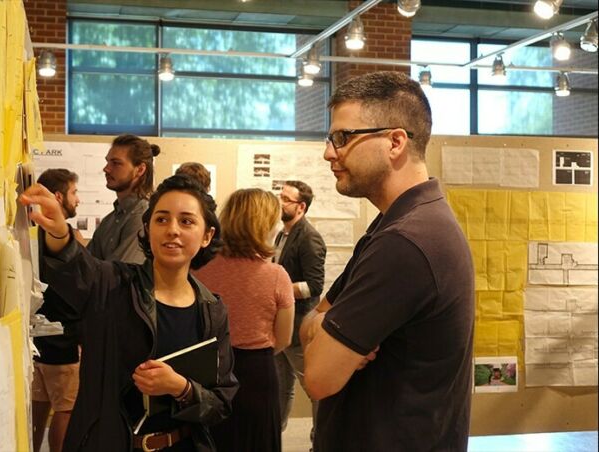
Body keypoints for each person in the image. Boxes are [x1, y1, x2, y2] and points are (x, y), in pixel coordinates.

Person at [300, 71, 475, 452]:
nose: (330, 152)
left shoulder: (405, 242)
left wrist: (322, 327)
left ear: (395, 142)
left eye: (343, 138)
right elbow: (310, 325)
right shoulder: (397, 223)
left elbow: (317, 376)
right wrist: (323, 325)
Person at [20, 175, 238, 452]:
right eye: (161, 219)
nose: (172, 230)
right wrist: (60, 234)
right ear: (147, 228)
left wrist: (181, 387)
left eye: (186, 221)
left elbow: (221, 402)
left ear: (207, 235)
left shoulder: (211, 309)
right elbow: (77, 268)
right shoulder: (113, 284)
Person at [194, 188, 295, 452]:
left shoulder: (199, 270)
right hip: (257, 373)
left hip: (211, 370)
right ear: (264, 224)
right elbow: (283, 339)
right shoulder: (276, 275)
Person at [31, 169, 83, 452]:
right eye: (74, 193)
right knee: (65, 410)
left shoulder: (32, 233)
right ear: (60, 196)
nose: (78, 200)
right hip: (62, 340)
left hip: (39, 340)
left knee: (38, 407)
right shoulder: (62, 237)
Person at [273, 181, 326, 439]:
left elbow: (315, 285)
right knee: (282, 386)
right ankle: (274, 433)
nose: (279, 202)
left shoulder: (310, 237)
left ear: (301, 207)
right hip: (280, 326)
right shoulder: (281, 233)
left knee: (313, 387)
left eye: (286, 199)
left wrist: (279, 287)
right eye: (280, 196)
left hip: (299, 327)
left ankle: (321, 438)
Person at [87, 133, 159, 264]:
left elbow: (121, 276)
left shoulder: (143, 217)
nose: (106, 169)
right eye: (107, 162)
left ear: (140, 169)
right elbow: (85, 268)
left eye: (116, 163)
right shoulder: (110, 220)